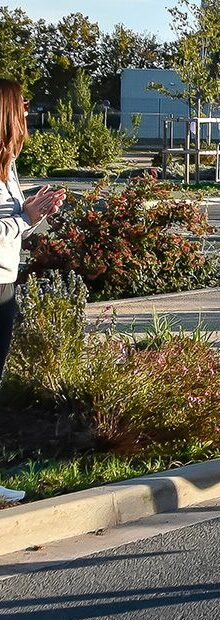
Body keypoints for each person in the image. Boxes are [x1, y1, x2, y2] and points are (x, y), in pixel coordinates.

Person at [0, 78, 66, 504]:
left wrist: (34, 214)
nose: (27, 112)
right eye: (21, 105)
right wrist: (25, 217)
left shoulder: (9, 168)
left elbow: (12, 226)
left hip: (5, 282)